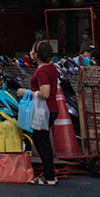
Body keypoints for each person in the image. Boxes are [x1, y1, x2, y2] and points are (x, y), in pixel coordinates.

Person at [28, 40, 59, 186]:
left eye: (32, 50)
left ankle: (49, 176)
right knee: (43, 141)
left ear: (36, 55)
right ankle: (49, 173)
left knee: (42, 142)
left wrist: (28, 92)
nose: (30, 53)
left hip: (44, 110)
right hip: (51, 109)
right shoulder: (51, 68)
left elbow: (45, 93)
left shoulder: (42, 71)